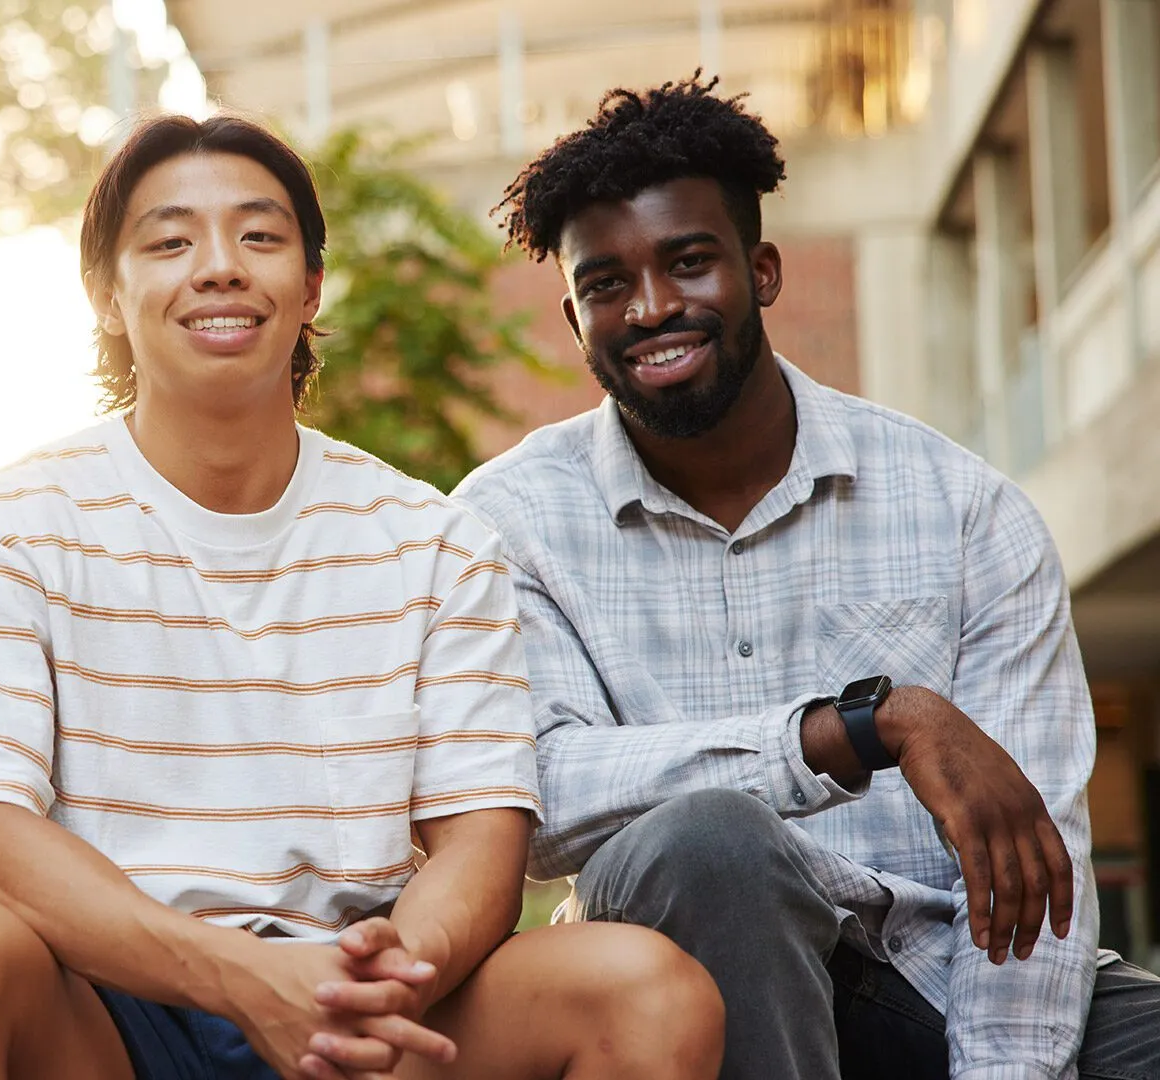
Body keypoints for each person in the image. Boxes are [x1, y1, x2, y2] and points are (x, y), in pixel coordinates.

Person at [0, 113, 725, 1080]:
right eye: (171, 240)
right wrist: (235, 976)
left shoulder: (434, 541)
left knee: (647, 990)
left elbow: (480, 843)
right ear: (107, 294)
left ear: (311, 286)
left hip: (360, 997)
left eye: (260, 236)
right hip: (106, 1009)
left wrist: (382, 982)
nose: (220, 266)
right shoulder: (4, 527)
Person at [454, 74, 1160, 1079]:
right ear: (573, 320)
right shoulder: (506, 521)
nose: (652, 307)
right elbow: (540, 794)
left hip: (938, 977)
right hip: (686, 982)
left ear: (764, 270)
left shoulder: (967, 513)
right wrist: (854, 729)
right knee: (707, 842)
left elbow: (1030, 880)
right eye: (606, 284)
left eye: (689, 262)